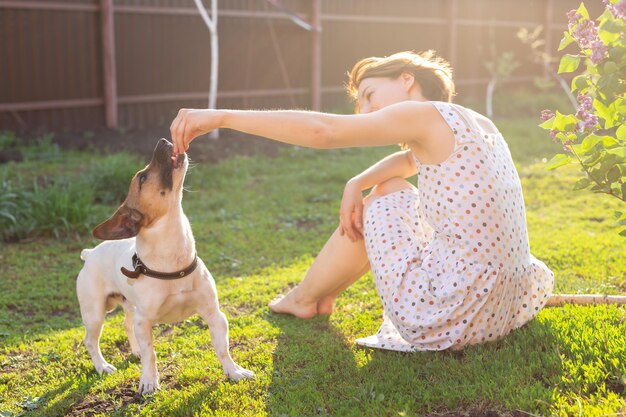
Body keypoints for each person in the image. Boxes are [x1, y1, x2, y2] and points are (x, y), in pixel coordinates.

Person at [170, 50, 554, 352]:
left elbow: (325, 131)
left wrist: (222, 117)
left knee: (387, 193)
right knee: (387, 185)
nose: (366, 111)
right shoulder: (473, 121)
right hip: (507, 307)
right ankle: (319, 295)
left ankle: (304, 298)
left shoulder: (420, 115)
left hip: (454, 313)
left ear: (407, 79)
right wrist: (358, 179)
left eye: (369, 95)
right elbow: (408, 161)